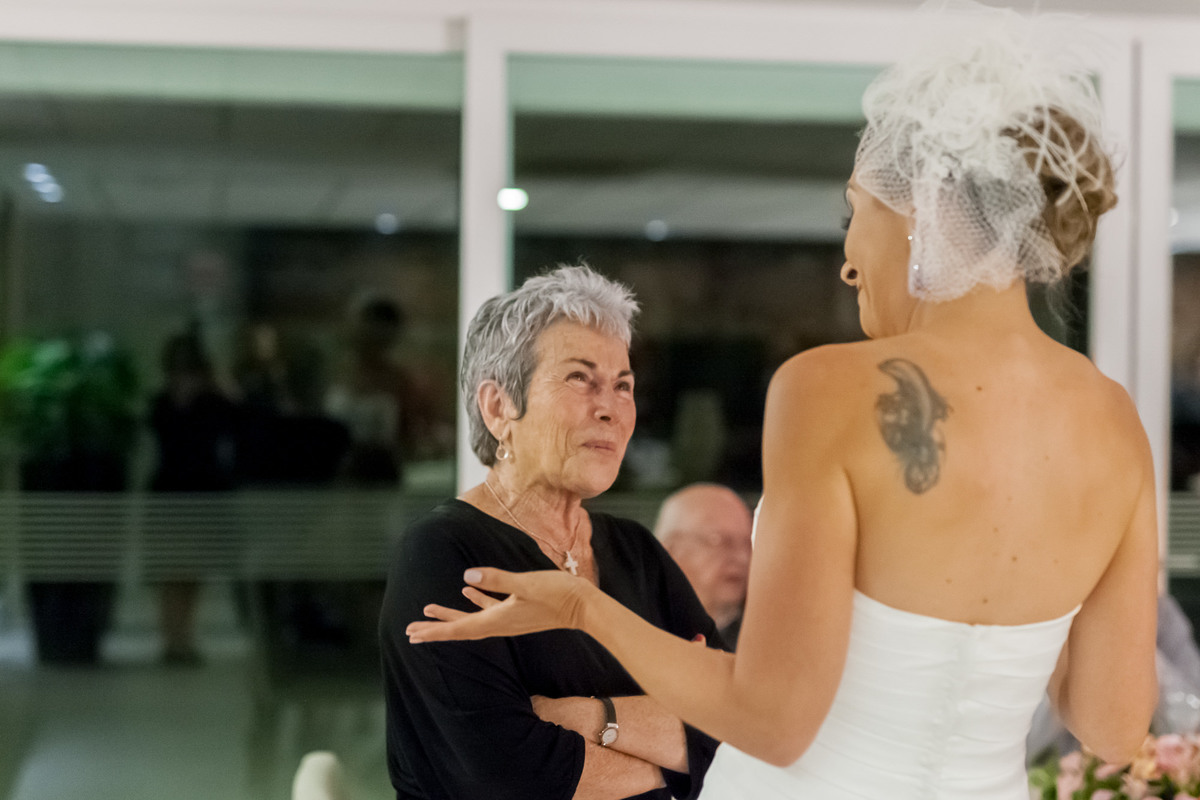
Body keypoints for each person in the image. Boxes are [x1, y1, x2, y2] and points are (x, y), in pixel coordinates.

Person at [406, 7, 1159, 800]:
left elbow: (773, 719)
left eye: (855, 213)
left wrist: (582, 608)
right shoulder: (1115, 423)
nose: (848, 261)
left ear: (923, 211)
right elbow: (1113, 725)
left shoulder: (828, 388)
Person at [378, 265, 722, 799]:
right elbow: (506, 776)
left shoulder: (636, 551)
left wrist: (591, 718)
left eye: (623, 385)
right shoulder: (445, 554)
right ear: (499, 408)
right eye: (580, 378)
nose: (609, 408)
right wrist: (680, 762)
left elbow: (737, 722)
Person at [148, 329, 238, 665]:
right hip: (175, 494)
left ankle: (181, 637)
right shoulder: (163, 403)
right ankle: (174, 638)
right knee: (172, 571)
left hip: (196, 492)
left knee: (189, 571)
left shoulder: (210, 402)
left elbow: (233, 424)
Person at [654, 484, 753, 648]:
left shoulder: (768, 642)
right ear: (669, 551)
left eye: (747, 543)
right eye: (718, 540)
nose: (741, 558)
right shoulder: (633, 630)